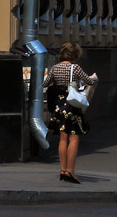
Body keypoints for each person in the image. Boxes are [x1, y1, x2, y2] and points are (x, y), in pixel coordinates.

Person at [43, 42, 97, 184]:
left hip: (59, 106)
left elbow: (46, 83)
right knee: (74, 138)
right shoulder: (76, 68)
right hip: (72, 106)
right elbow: (88, 81)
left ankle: (62, 169)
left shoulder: (55, 68)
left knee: (62, 138)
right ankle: (70, 170)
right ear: (76, 54)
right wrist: (93, 79)